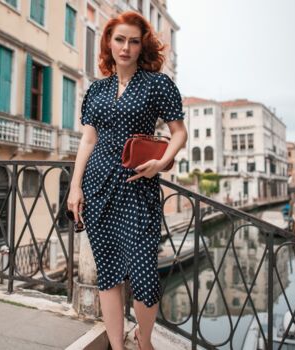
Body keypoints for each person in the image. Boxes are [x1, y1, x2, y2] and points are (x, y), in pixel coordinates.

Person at [67, 10, 187, 350]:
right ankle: (118, 346)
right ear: (109, 42)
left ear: (141, 45)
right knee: (109, 273)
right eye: (120, 39)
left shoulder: (157, 84)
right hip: (98, 186)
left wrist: (161, 162)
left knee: (144, 273)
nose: (126, 47)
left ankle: (143, 340)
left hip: (138, 184)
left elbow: (179, 133)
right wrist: (75, 187)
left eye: (133, 41)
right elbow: (88, 140)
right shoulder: (97, 90)